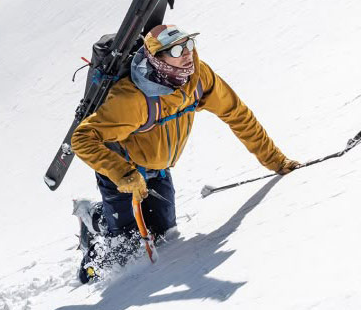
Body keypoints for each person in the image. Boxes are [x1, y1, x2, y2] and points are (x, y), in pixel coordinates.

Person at [70, 24, 300, 281]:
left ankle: (106, 219)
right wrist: (122, 173)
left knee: (164, 237)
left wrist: (276, 161)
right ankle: (91, 221)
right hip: (120, 171)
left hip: (158, 169)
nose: (187, 53)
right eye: (177, 49)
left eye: (189, 44)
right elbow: (82, 138)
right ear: (157, 59)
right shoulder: (132, 100)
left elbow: (238, 115)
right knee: (122, 255)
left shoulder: (199, 79)